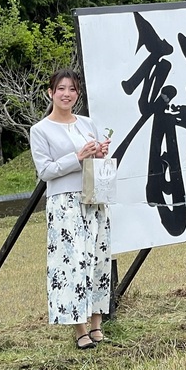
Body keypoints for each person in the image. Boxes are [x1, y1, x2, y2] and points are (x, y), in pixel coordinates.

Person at [29, 69, 112, 350]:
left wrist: (99, 154)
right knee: (72, 263)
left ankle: (97, 324)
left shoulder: (88, 124)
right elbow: (45, 171)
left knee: (98, 258)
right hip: (64, 204)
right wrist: (77, 157)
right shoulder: (40, 130)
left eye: (73, 89)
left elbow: (96, 161)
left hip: (94, 197)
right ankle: (79, 329)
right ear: (50, 93)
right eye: (61, 89)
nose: (67, 94)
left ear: (78, 94)